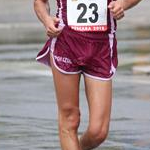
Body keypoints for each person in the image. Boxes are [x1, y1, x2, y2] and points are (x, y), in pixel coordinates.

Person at [34, 0, 142, 150]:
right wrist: (46, 19)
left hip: (101, 48)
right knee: (69, 118)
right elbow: (40, 2)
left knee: (98, 132)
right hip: (66, 43)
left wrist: (122, 4)